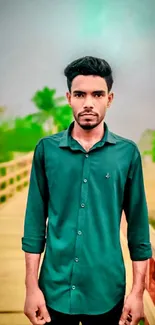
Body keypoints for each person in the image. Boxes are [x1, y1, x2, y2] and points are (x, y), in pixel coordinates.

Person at [22, 56, 152, 325]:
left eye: (97, 94)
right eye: (80, 94)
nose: (89, 103)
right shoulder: (47, 150)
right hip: (53, 293)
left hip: (107, 293)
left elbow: (139, 231)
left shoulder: (127, 154)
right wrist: (31, 288)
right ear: (69, 97)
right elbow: (34, 225)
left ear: (110, 98)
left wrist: (137, 293)